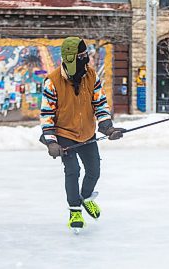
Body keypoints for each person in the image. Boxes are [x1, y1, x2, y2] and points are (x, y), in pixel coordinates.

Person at [40, 36, 125, 231]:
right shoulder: (52, 82)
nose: (86, 60)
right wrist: (51, 142)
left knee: (94, 170)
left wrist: (108, 128)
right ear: (71, 59)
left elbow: (100, 104)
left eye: (86, 55)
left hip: (87, 133)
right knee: (73, 171)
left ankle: (86, 197)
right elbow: (47, 115)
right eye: (82, 56)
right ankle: (75, 211)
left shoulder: (91, 76)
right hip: (64, 134)